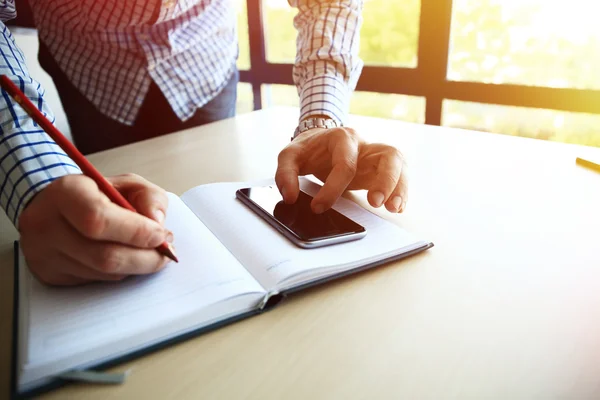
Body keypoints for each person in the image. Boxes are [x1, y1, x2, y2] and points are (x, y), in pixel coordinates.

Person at [0, 0, 408, 286]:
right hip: (91, 75)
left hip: (203, 64)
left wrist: (320, 119)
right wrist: (33, 171)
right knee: (94, 203)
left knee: (215, 181)